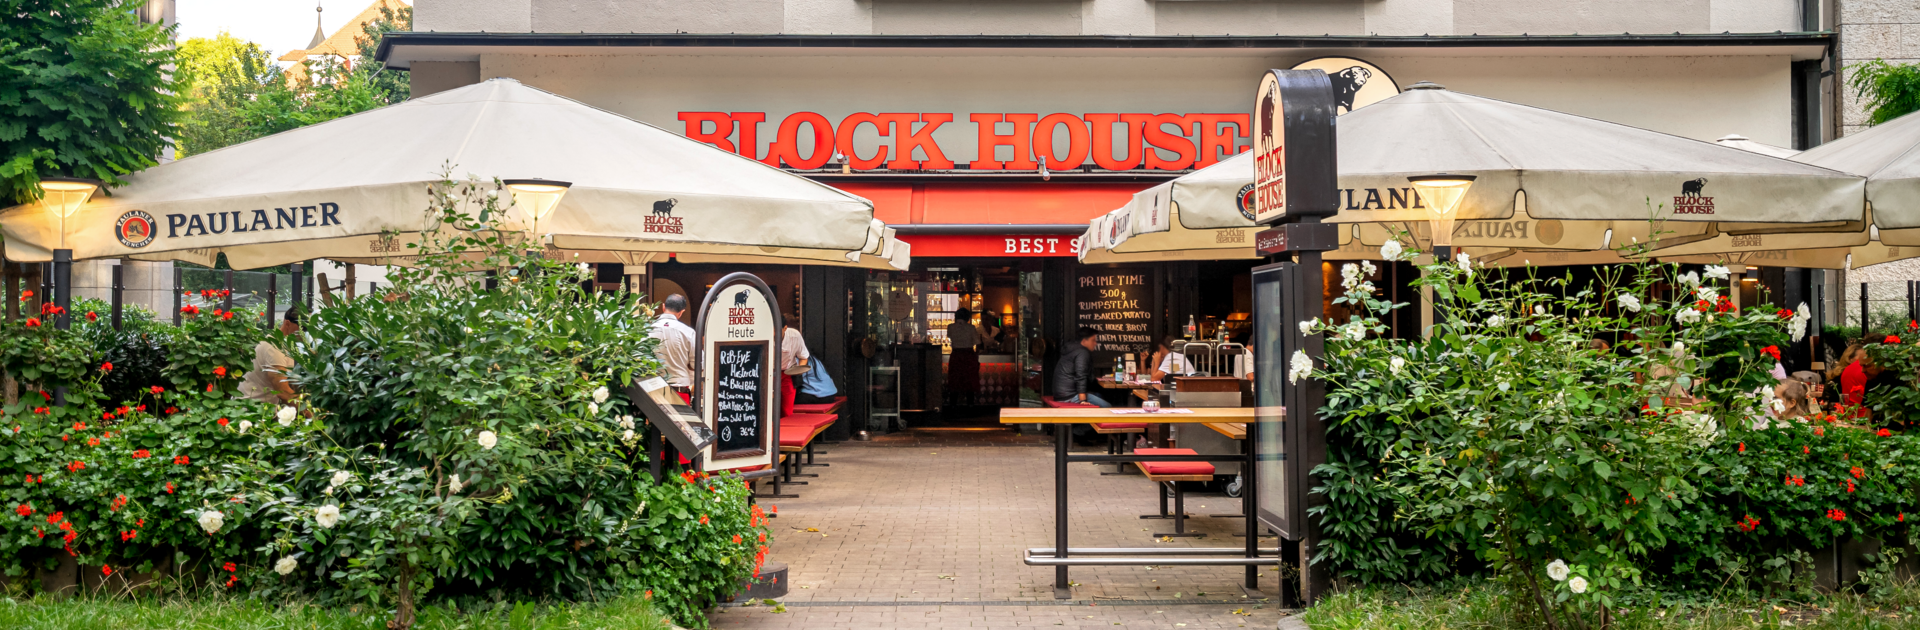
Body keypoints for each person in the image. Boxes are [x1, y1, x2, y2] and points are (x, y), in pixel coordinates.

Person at [649, 294, 696, 404]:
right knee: (681, 421)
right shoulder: (688, 332)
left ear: (663, 307)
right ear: (681, 312)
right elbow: (698, 364)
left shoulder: (648, 330)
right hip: (680, 391)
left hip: (654, 390)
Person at [1052, 326, 1109, 407]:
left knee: (1098, 395)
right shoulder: (1082, 352)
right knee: (1107, 407)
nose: (1095, 343)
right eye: (1093, 340)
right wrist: (1082, 400)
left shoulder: (1072, 349)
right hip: (1069, 396)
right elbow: (1081, 376)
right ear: (1084, 341)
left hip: (1060, 395)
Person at [780, 309, 810, 418]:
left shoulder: (794, 336)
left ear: (785, 328)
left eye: (777, 331)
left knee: (786, 412)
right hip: (767, 373)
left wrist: (798, 370)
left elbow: (803, 357)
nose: (774, 334)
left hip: (787, 374)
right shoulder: (764, 334)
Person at [946, 307, 980, 405]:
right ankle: (970, 406)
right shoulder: (971, 328)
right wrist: (976, 356)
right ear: (968, 317)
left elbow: (950, 336)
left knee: (955, 381)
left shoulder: (950, 327)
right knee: (969, 383)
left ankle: (953, 406)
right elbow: (977, 343)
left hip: (956, 355)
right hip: (969, 355)